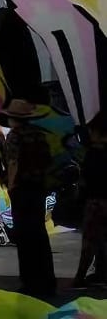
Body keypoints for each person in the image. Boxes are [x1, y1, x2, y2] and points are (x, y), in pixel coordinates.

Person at [0, 100, 57, 300]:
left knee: (24, 237)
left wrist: (11, 186)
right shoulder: (40, 136)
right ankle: (48, 281)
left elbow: (13, 164)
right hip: (38, 190)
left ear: (14, 119)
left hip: (22, 191)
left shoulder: (14, 138)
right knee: (40, 234)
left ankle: (30, 282)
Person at [74, 114, 107, 290]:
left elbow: (85, 181)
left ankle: (79, 278)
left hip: (95, 202)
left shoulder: (93, 154)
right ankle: (102, 274)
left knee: (90, 241)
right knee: (102, 241)